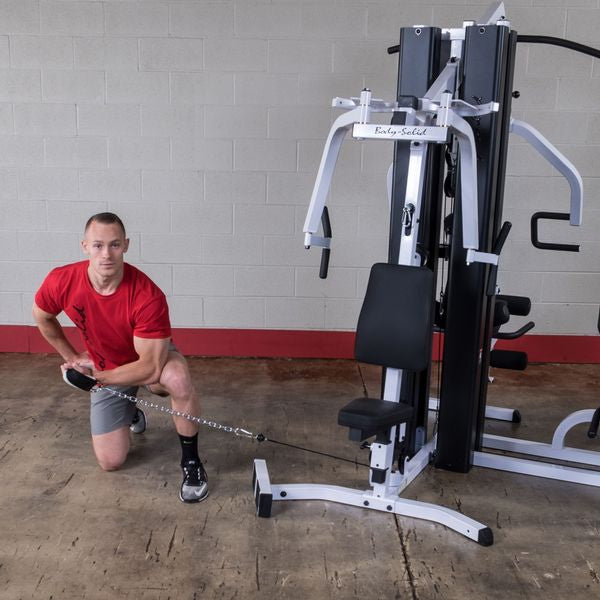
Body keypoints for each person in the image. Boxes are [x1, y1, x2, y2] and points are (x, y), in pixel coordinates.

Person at [32, 212, 208, 503]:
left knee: (176, 378)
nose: (106, 254)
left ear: (126, 245)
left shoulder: (147, 295)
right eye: (98, 245)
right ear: (84, 246)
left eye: (114, 245)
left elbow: (151, 368)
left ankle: (191, 462)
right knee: (110, 461)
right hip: (108, 366)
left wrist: (97, 378)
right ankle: (131, 411)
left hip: (146, 360)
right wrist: (72, 358)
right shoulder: (62, 280)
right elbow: (43, 317)